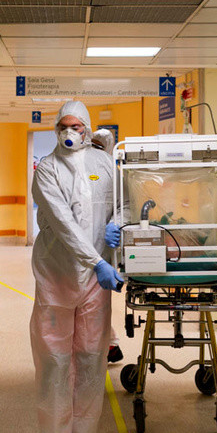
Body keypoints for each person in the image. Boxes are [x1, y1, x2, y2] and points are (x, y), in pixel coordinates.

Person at [30, 101, 124, 433]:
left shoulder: (103, 164)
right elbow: (65, 224)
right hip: (57, 275)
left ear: (86, 129)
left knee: (90, 356)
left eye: (76, 126)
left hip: (94, 283)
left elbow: (123, 201)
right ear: (57, 129)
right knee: (54, 359)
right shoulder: (47, 170)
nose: (69, 133)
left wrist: (115, 224)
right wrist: (97, 261)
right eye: (63, 126)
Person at [90, 127, 125, 364]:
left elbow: (126, 205)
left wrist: (115, 224)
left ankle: (108, 346)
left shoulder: (114, 171)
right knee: (89, 307)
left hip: (103, 249)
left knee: (97, 305)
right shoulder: (75, 168)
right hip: (77, 253)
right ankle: (108, 345)